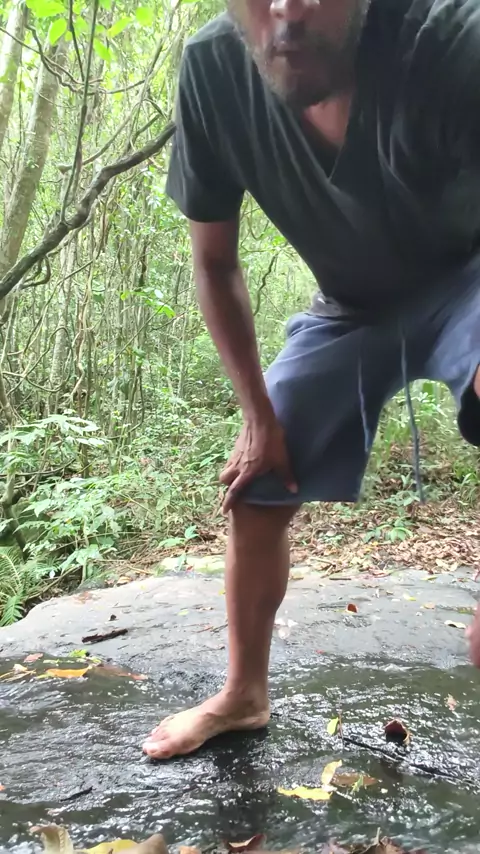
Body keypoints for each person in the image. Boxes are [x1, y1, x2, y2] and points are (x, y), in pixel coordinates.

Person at [142, 0, 480, 760]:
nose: (288, 9)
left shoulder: (453, 40)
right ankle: (243, 694)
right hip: (349, 307)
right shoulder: (214, 69)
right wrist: (258, 418)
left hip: (469, 280)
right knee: (257, 479)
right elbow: (214, 264)